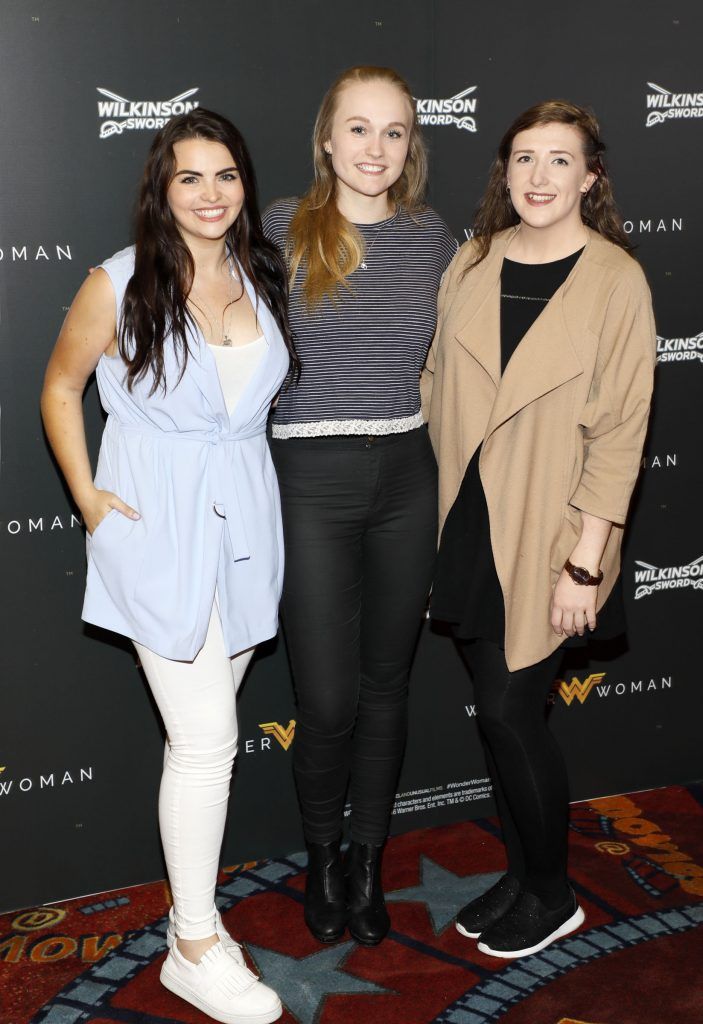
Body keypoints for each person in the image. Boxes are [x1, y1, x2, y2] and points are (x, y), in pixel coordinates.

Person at [41, 109, 296, 1024]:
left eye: (225, 175)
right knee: (206, 744)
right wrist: (86, 497)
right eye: (190, 177)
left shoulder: (261, 271)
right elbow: (60, 385)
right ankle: (193, 944)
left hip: (244, 528)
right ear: (162, 186)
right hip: (159, 529)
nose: (210, 193)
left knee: (204, 741)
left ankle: (195, 927)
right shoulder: (118, 281)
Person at [422, 100, 655, 960]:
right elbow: (436, 381)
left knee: (516, 713)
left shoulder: (614, 280)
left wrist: (584, 566)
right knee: (497, 715)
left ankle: (553, 894)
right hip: (468, 521)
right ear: (503, 171)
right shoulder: (472, 260)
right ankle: (522, 874)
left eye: (560, 160)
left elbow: (623, 430)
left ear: (591, 177)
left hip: (552, 531)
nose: (538, 176)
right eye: (523, 158)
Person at [262, 66, 457, 946]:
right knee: (329, 696)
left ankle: (366, 862)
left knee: (387, 686)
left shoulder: (429, 238)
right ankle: (318, 854)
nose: (375, 148)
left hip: (406, 475)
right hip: (308, 478)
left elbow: (452, 364)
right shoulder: (276, 231)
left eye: (393, 131)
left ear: (408, 144)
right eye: (358, 129)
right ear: (326, 139)